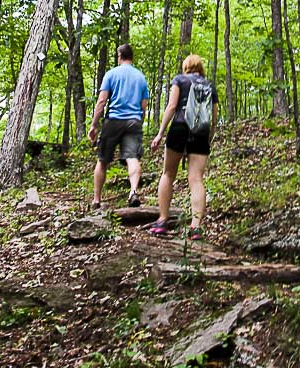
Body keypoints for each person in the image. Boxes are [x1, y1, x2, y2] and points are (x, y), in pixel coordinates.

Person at [148, 53, 218, 239]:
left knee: (168, 174)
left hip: (179, 127)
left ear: (186, 66)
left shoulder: (179, 80)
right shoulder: (209, 85)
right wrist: (208, 137)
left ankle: (162, 220)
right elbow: (214, 117)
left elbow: (172, 106)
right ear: (200, 67)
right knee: (196, 179)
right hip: (201, 132)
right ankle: (195, 227)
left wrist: (160, 133)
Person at [88, 43, 149, 208]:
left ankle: (96, 200)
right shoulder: (141, 77)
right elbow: (144, 106)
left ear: (120, 56)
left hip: (114, 120)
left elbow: (102, 101)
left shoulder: (111, 74)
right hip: (134, 121)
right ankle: (133, 191)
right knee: (132, 157)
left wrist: (94, 125)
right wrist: (138, 121)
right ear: (132, 57)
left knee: (103, 160)